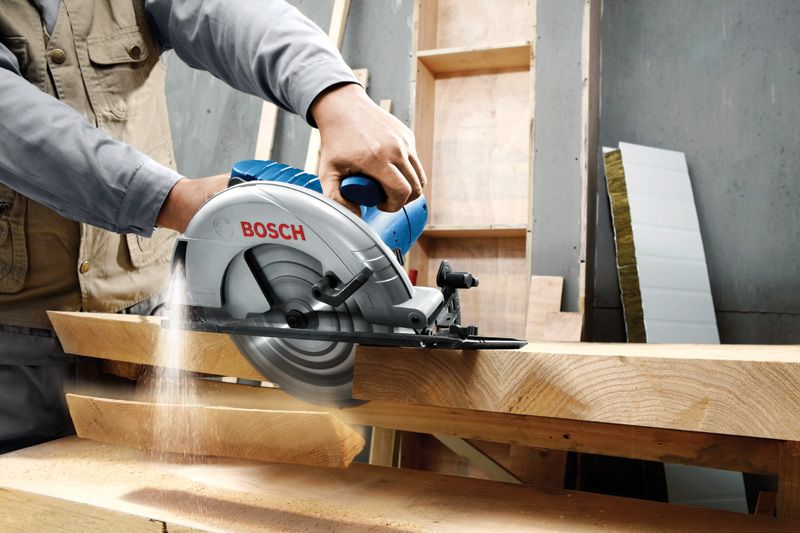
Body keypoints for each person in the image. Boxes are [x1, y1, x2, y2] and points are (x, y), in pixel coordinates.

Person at [0, 0, 426, 453]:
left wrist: (335, 95)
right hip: (14, 346)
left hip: (144, 322)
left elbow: (218, 9)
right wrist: (174, 200)